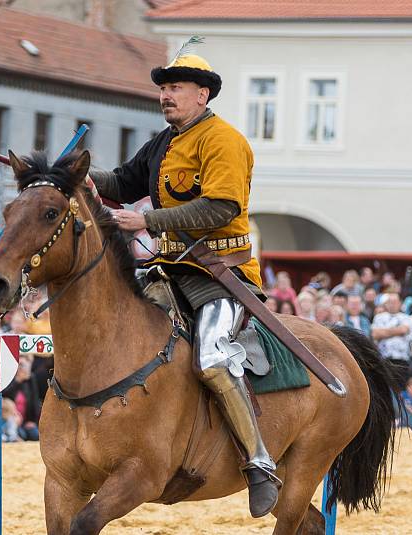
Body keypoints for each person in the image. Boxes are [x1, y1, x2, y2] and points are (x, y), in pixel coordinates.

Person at [89, 48, 279, 516]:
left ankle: (258, 461)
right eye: (163, 88)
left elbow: (220, 207)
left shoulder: (224, 141)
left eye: (175, 88)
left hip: (220, 275)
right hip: (168, 273)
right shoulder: (162, 142)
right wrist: (75, 176)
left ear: (202, 93)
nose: (165, 95)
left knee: (213, 357)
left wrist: (147, 222)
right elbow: (119, 180)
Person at [372, 293, 412, 385]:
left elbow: (403, 330)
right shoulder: (379, 317)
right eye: (389, 302)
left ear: (400, 303)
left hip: (401, 360)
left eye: (395, 302)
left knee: (400, 390)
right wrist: (396, 330)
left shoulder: (406, 318)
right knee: (384, 387)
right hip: (384, 359)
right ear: (386, 304)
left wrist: (384, 332)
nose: (392, 304)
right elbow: (375, 334)